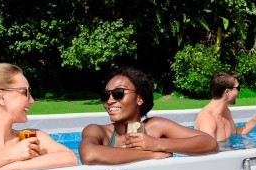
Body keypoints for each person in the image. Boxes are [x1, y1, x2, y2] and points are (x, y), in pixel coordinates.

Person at [79, 67, 219, 165]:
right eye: (105, 95)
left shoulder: (156, 127)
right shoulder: (98, 131)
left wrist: (157, 143)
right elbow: (89, 155)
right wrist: (150, 154)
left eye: (118, 93)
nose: (109, 101)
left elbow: (210, 143)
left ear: (139, 98)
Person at [194, 70, 256, 141]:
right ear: (227, 92)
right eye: (237, 88)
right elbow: (208, 147)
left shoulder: (225, 112)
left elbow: (235, 132)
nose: (238, 92)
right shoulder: (207, 119)